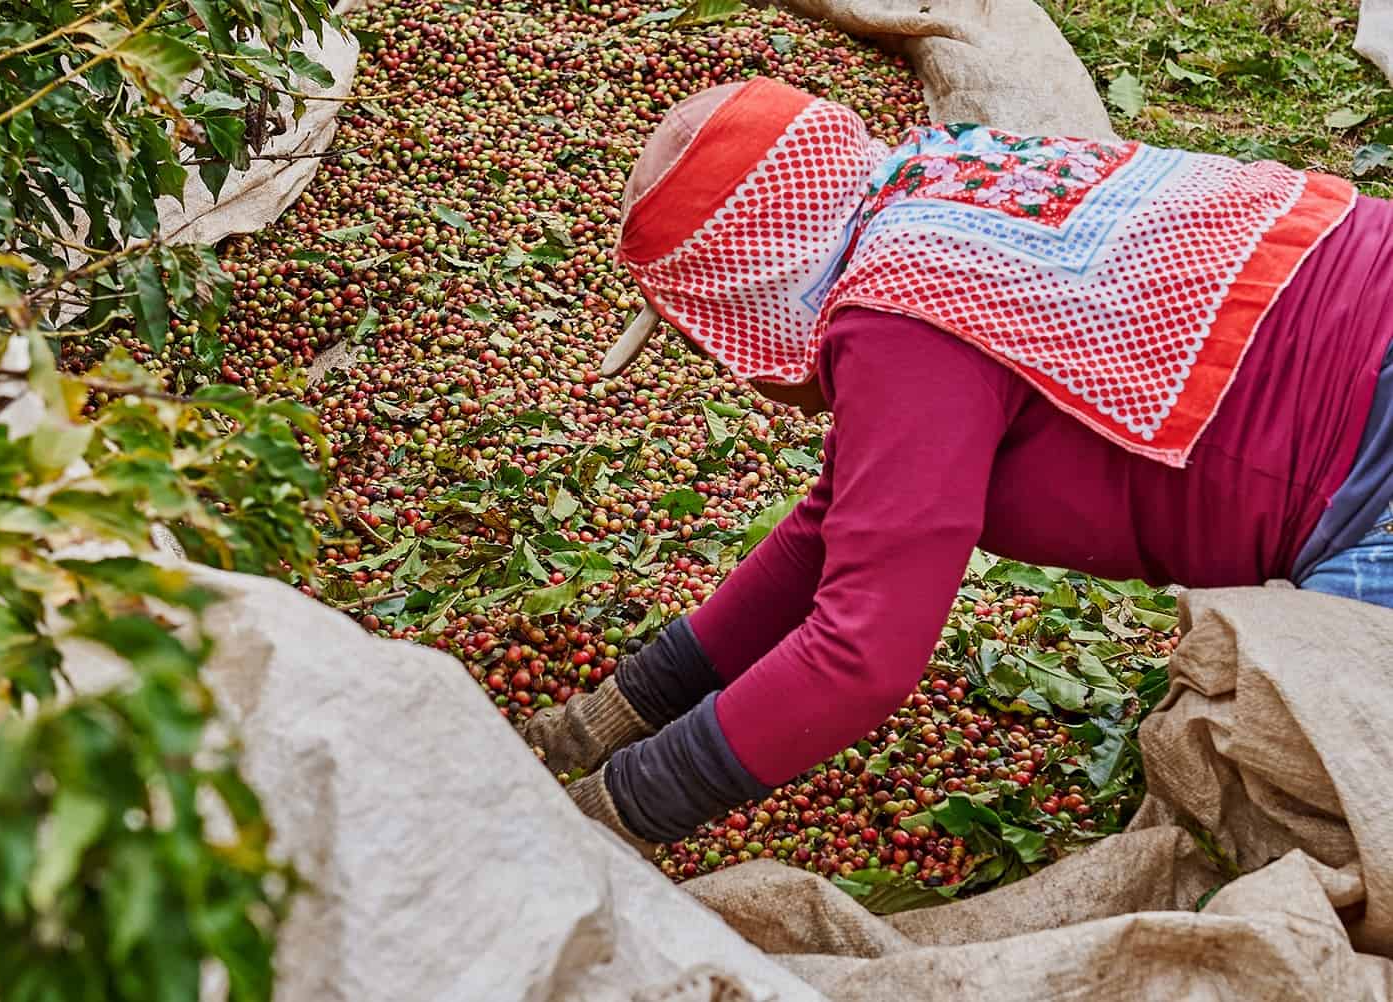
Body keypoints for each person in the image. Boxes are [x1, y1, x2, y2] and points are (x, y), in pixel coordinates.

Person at [520, 77, 1393, 855]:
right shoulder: (937, 189)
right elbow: (833, 531)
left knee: (1328, 797)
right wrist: (610, 715)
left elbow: (858, 657)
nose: (739, 378)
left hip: (1377, 475)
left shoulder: (899, 325)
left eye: (715, 348)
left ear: (759, 305)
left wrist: (607, 817)